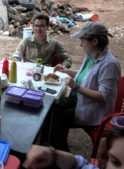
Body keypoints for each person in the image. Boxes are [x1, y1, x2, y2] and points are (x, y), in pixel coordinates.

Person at [47, 22, 121, 151]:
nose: (80, 44)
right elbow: (87, 77)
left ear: (94, 41)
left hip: (93, 111)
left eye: (83, 41)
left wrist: (75, 87)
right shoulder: (91, 56)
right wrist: (67, 72)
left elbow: (104, 96)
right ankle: (53, 146)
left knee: (55, 117)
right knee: (51, 106)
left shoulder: (109, 64)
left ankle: (61, 154)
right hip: (80, 100)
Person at [24, 127, 124, 169]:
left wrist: (76, 87)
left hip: (90, 115)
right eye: (115, 162)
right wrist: (52, 154)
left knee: (59, 115)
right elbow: (80, 164)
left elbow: (102, 98)